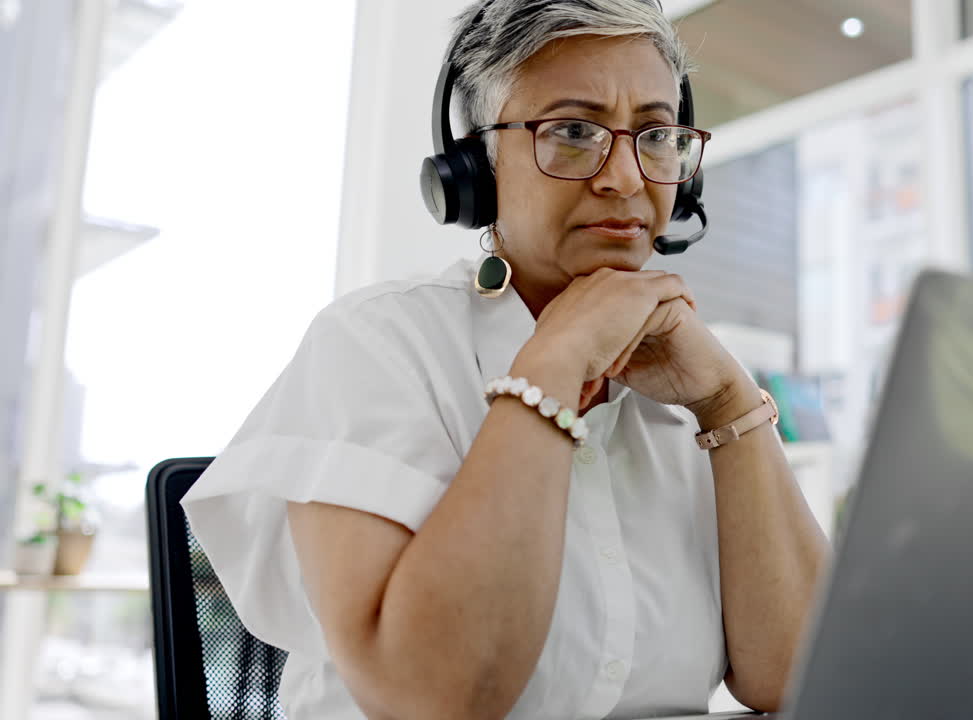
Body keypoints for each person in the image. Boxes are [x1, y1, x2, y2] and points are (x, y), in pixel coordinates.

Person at [182, 1, 829, 718]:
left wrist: (729, 407)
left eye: (654, 135)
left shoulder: (689, 378)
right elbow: (430, 695)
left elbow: (797, 678)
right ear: (478, 167)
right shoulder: (376, 344)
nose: (624, 178)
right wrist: (554, 359)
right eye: (574, 132)